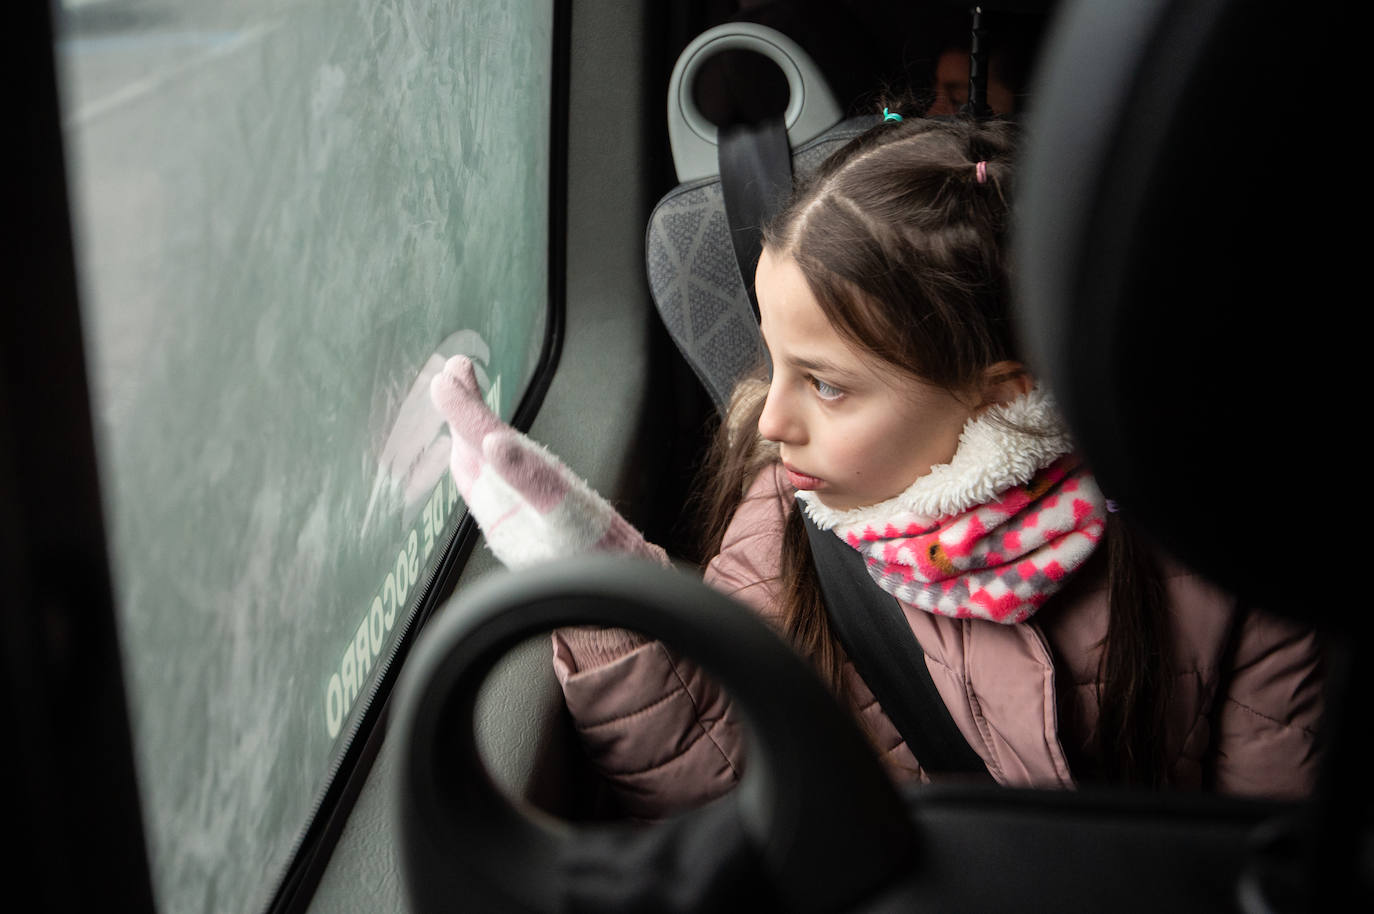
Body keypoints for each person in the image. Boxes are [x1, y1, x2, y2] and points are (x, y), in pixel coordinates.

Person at [429, 115, 1323, 821]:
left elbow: (1261, 842)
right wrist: (598, 586)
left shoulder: (1213, 551)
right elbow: (730, 795)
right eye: (772, 363)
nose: (772, 421)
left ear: (1001, 399)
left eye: (827, 386)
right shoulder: (785, 535)